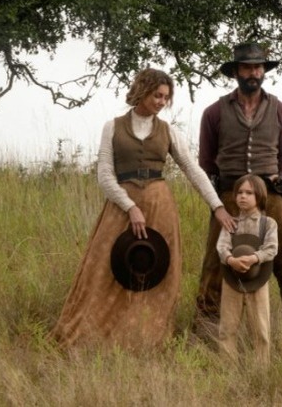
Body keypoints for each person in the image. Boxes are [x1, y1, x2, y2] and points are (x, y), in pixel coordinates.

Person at [51, 68, 235, 349]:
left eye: (166, 97)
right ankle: (95, 337)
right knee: (104, 271)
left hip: (160, 207)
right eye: (156, 95)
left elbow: (192, 169)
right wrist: (130, 206)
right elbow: (104, 174)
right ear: (142, 91)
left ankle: (146, 340)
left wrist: (218, 206)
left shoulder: (168, 131)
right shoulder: (112, 127)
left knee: (154, 273)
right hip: (120, 207)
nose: (161, 102)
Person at [193, 42, 282, 345]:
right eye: (247, 67)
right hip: (228, 197)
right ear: (235, 72)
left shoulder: (281, 111)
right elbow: (206, 161)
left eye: (258, 67)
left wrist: (269, 185)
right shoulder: (213, 112)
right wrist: (222, 199)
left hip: (270, 196)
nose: (254, 72)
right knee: (215, 265)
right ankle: (206, 337)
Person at [217, 174, 277, 365]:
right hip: (232, 281)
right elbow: (221, 247)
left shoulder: (268, 224)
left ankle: (261, 371)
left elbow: (272, 248)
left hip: (258, 281)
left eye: (249, 193)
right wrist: (231, 260)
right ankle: (227, 370)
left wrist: (254, 258)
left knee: (260, 329)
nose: (243, 196)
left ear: (259, 196)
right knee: (227, 328)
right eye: (240, 192)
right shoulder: (231, 223)